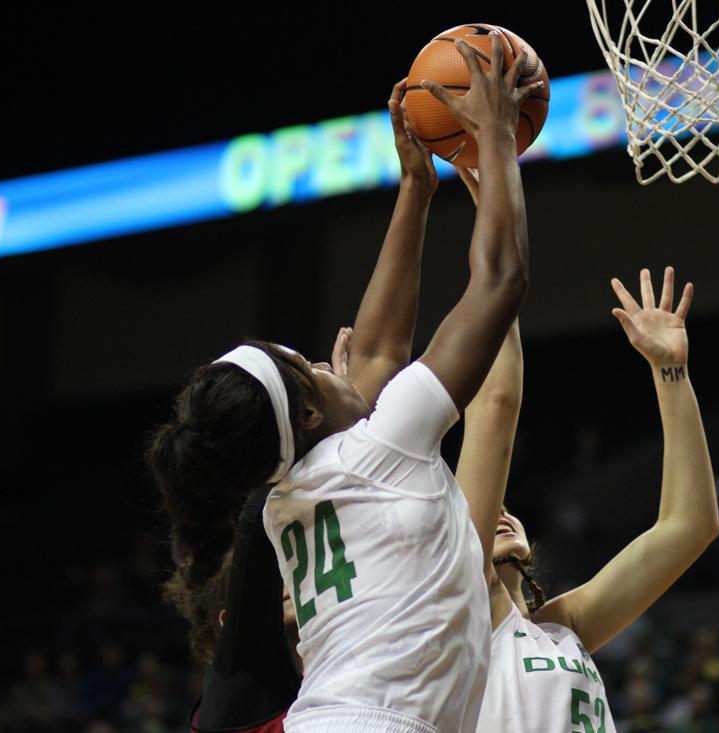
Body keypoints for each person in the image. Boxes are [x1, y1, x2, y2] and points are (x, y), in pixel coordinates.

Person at [151, 32, 542, 733]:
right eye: (313, 367)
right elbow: (499, 281)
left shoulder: (282, 499)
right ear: (305, 413)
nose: (337, 363)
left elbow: (375, 358)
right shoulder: (380, 449)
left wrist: (416, 190)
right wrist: (494, 142)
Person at [456, 266, 719, 732]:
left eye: (506, 507)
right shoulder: (463, 625)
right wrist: (497, 246)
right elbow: (494, 403)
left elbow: (690, 525)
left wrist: (670, 372)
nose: (498, 509)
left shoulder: (563, 628)